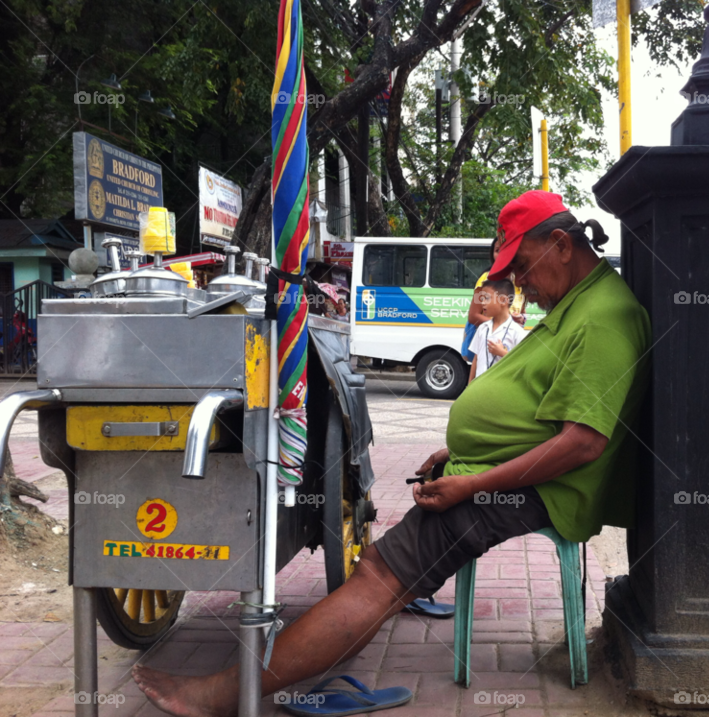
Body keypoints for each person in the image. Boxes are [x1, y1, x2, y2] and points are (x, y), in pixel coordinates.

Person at [133, 189, 652, 717]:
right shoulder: (579, 303)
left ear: (561, 245)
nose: (517, 283)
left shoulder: (604, 318)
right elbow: (539, 408)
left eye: (521, 266)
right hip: (500, 476)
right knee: (384, 581)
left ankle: (221, 696)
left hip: (533, 491)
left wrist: (472, 483)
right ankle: (280, 673)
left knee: (379, 574)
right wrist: (459, 452)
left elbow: (583, 442)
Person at [468, 278, 525, 382]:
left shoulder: (517, 332)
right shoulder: (482, 328)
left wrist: (502, 353)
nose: (483, 303)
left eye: (487, 298)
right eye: (482, 299)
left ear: (503, 300)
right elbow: (476, 359)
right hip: (479, 390)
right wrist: (469, 387)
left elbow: (522, 365)